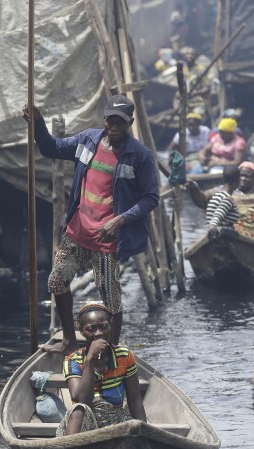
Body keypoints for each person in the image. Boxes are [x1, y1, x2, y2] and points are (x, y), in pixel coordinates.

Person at [24, 95, 159, 355]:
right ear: (104, 119)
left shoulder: (140, 156)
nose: (115, 125)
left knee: (109, 293)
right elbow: (51, 148)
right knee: (56, 281)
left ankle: (111, 348)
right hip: (77, 231)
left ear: (130, 122)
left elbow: (150, 198)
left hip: (107, 240)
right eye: (111, 119)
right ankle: (69, 341)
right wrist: (38, 124)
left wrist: (120, 220)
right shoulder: (88, 139)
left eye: (121, 121)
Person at [56, 303, 146, 436]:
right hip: (85, 423)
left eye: (104, 327)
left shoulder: (124, 355)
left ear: (110, 325)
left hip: (115, 420)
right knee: (78, 410)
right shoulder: (73, 360)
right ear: (81, 331)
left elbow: (134, 400)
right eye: (91, 329)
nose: (99, 333)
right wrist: (90, 360)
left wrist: (144, 433)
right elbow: (81, 399)